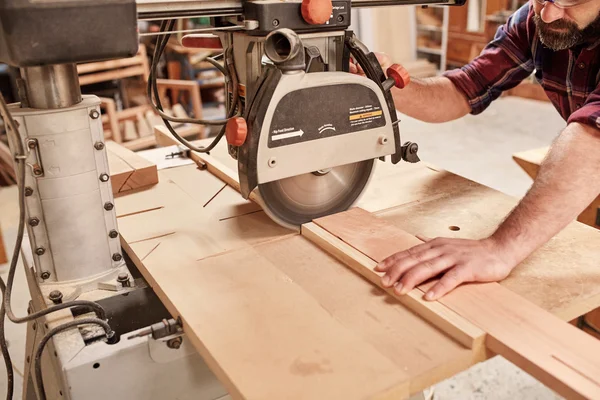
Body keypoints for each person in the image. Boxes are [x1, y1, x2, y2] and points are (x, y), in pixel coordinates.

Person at [350, 0, 600, 301]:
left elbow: (592, 137)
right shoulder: (538, 19)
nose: (547, 14)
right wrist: (383, 85)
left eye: (569, 1)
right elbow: (465, 88)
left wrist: (501, 249)